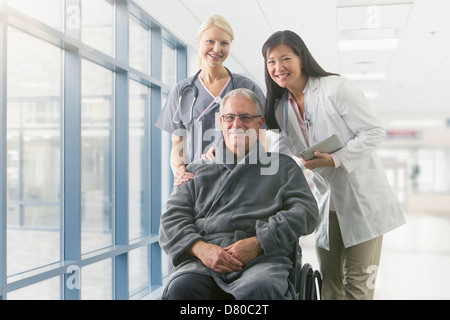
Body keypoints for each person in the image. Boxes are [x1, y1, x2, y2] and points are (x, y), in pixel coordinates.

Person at [261, 30, 406, 300]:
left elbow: (374, 131)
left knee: (358, 286)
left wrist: (335, 159)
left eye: (285, 59)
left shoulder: (335, 88)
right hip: (327, 205)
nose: (278, 68)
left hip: (363, 202)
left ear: (301, 58)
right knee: (330, 285)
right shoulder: (281, 107)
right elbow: (279, 157)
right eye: (271, 61)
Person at [159, 88, 319, 300]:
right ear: (220, 122)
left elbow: (306, 212)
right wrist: (201, 249)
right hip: (203, 261)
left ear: (259, 123)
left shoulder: (283, 167)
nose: (237, 124)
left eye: (245, 117)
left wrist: (260, 241)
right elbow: (171, 220)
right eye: (229, 117)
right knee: (181, 288)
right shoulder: (196, 170)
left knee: (259, 289)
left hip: (264, 259)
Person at [155, 14, 265, 186]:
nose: (216, 49)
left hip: (240, 181)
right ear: (198, 42)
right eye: (210, 41)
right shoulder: (181, 92)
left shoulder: (247, 88)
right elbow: (178, 145)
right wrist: (179, 172)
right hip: (198, 183)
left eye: (224, 43)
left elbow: (262, 139)